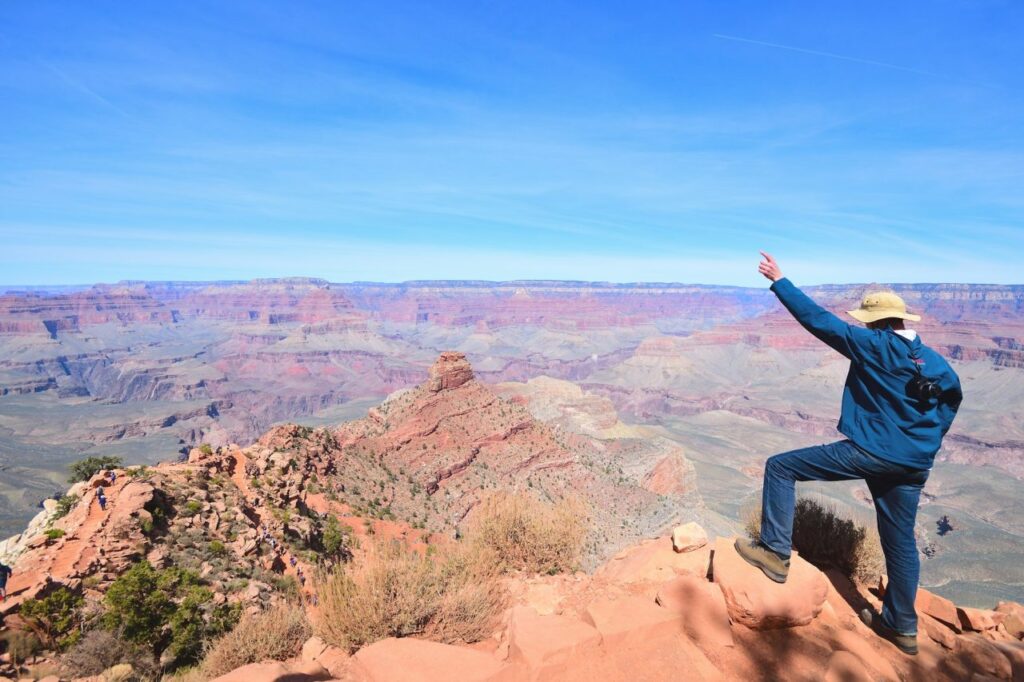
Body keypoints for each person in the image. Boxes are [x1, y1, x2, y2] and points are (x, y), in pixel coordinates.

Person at [736, 251, 962, 656]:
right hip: (914, 464)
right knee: (901, 542)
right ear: (904, 321)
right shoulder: (935, 360)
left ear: (873, 322)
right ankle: (902, 628)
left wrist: (780, 281)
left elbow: (819, 322)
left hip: (871, 452)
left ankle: (774, 553)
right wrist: (929, 440)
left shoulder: (874, 345)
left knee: (781, 467)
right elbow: (951, 401)